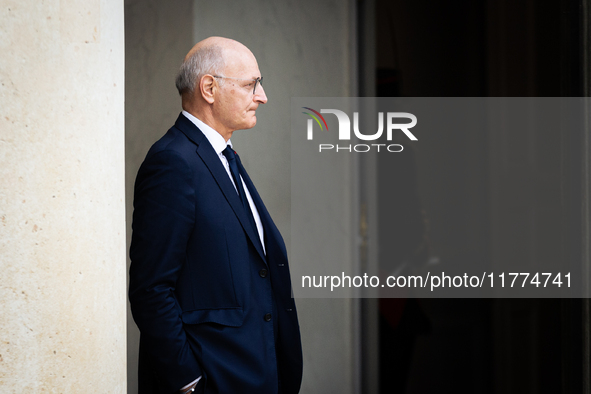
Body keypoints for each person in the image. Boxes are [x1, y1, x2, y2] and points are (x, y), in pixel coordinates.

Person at [129, 37, 303, 394]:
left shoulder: (225, 159)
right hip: (214, 380)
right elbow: (151, 290)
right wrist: (188, 383)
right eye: (251, 84)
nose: (262, 96)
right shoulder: (173, 162)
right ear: (209, 88)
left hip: (258, 375)